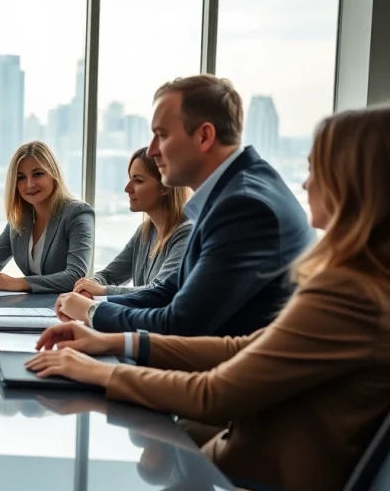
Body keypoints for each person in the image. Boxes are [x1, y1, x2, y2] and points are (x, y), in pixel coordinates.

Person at [26, 105, 390, 491]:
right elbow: (242, 347)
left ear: (353, 183)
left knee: (101, 467)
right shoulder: (364, 282)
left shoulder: (349, 293)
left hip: (269, 488)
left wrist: (98, 371)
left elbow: (212, 392)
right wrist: (111, 341)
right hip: (267, 449)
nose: (305, 183)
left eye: (316, 169)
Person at [53, 75, 312, 336]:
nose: (153, 150)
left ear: (204, 136)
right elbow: (171, 290)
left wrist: (92, 312)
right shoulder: (235, 191)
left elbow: (181, 322)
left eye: (162, 135)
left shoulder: (243, 206)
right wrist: (95, 304)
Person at [0, 141, 93, 293]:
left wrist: (18, 283)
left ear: (53, 174)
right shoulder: (19, 219)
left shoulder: (78, 213)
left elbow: (75, 276)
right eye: (21, 177)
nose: (29, 184)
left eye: (37, 174)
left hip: (68, 310)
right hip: (31, 309)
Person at [73, 147, 192, 297]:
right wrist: (88, 286)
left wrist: (103, 290)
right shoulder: (145, 231)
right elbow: (109, 276)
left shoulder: (187, 233)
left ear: (165, 187)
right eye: (130, 178)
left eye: (138, 180)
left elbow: (159, 292)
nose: (127, 188)